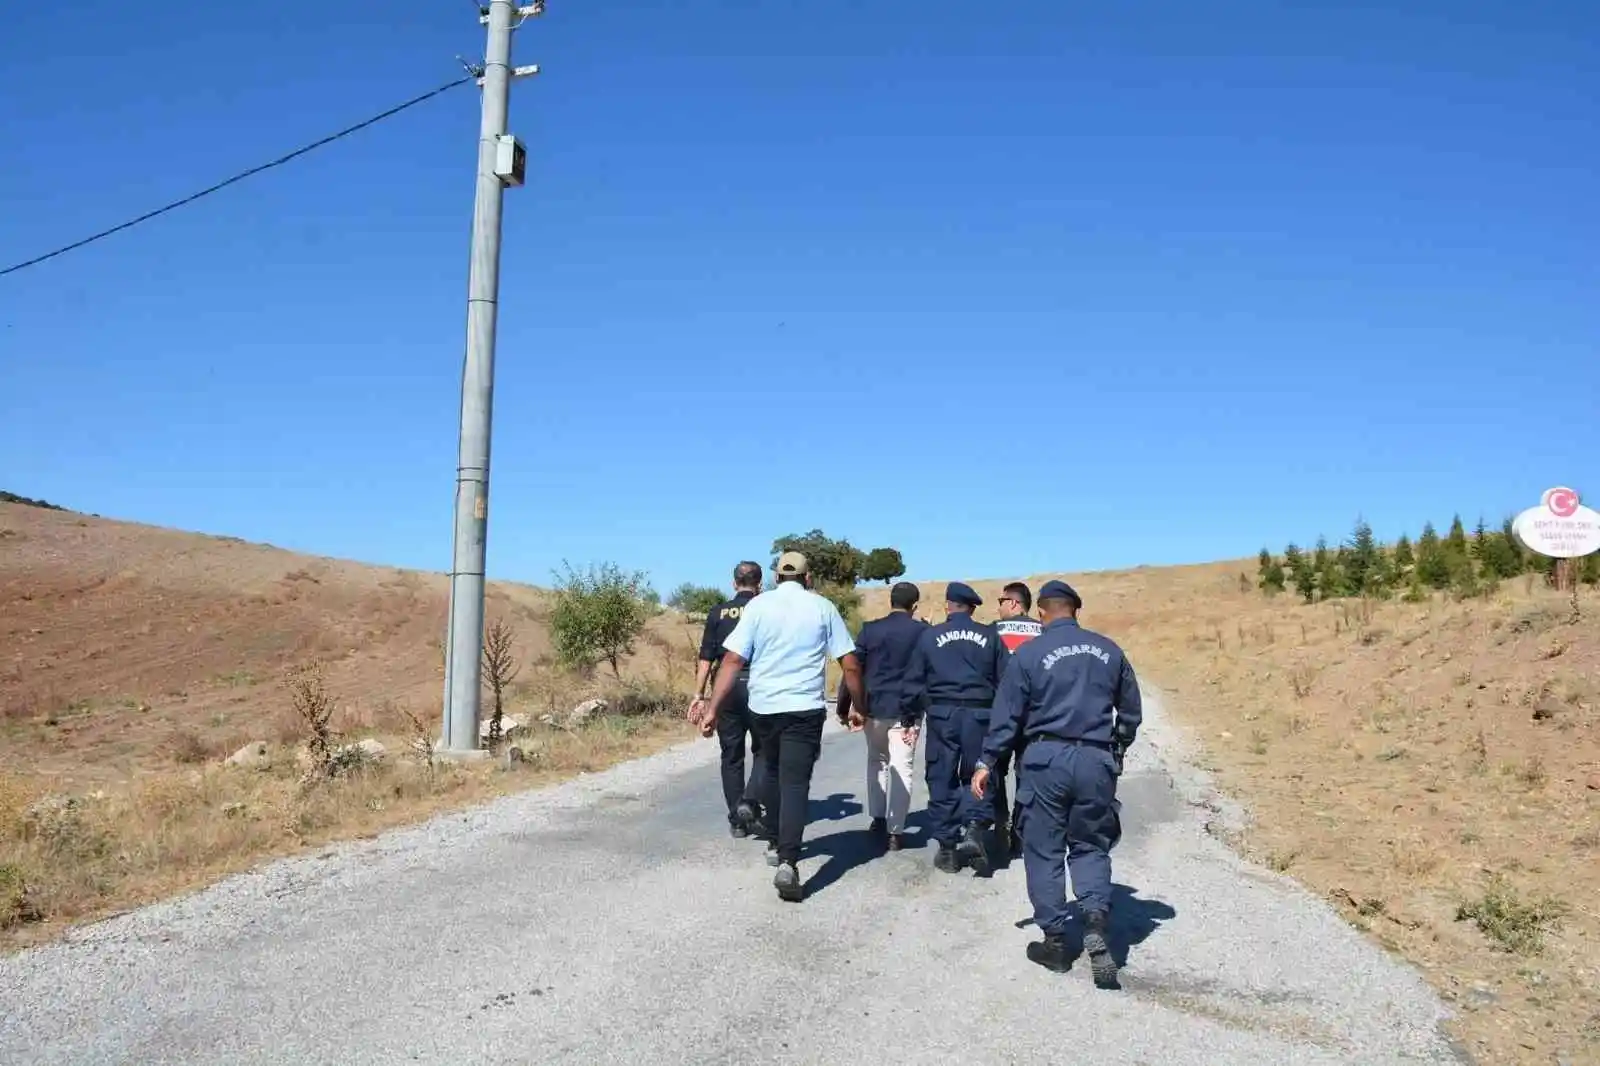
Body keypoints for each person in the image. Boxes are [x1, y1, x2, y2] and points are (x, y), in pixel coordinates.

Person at [971, 579, 1143, 988]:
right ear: (1075, 610)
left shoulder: (1030, 654)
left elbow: (1007, 717)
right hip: (1095, 760)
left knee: (1044, 849)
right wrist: (1114, 750)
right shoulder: (1109, 650)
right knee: (1089, 844)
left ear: (1043, 613)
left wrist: (986, 762)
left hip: (1046, 760)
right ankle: (1096, 918)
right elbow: (1132, 713)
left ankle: (1054, 941)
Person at [699, 550, 864, 902]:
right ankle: (787, 858)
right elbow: (850, 664)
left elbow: (732, 659)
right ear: (808, 578)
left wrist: (713, 707)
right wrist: (859, 707)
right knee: (795, 783)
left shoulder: (759, 607)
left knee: (770, 770)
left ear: (775, 578)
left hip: (764, 707)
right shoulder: (823, 607)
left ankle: (774, 839)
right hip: (803, 708)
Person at [902, 581, 1011, 876]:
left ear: (948, 606)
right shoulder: (990, 637)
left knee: (942, 776)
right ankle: (975, 829)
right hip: (981, 714)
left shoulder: (929, 636)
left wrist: (910, 716)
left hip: (942, 714)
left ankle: (948, 849)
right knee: (978, 771)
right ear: (972, 607)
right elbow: (1007, 682)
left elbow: (914, 680)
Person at [835, 581, 927, 851]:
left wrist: (845, 706)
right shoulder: (924, 632)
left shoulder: (870, 630)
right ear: (915, 606)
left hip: (873, 709)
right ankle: (895, 831)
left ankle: (877, 818)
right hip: (907, 712)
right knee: (903, 766)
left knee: (877, 761)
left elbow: (852, 669)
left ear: (891, 601)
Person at [689, 560, 767, 839]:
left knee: (730, 754)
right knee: (764, 750)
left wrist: (699, 696)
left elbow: (706, 659)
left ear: (734, 583)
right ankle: (750, 802)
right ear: (760, 584)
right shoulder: (766, 608)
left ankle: (737, 819)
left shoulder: (718, 612)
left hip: (726, 688)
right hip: (759, 686)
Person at [992, 581, 1043, 857]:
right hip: (1033, 716)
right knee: (1027, 774)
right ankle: (1020, 832)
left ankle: (1000, 821)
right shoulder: (1043, 632)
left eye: (1001, 601)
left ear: (1013, 603)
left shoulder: (993, 631)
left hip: (999, 713)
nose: (998, 607)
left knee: (995, 770)